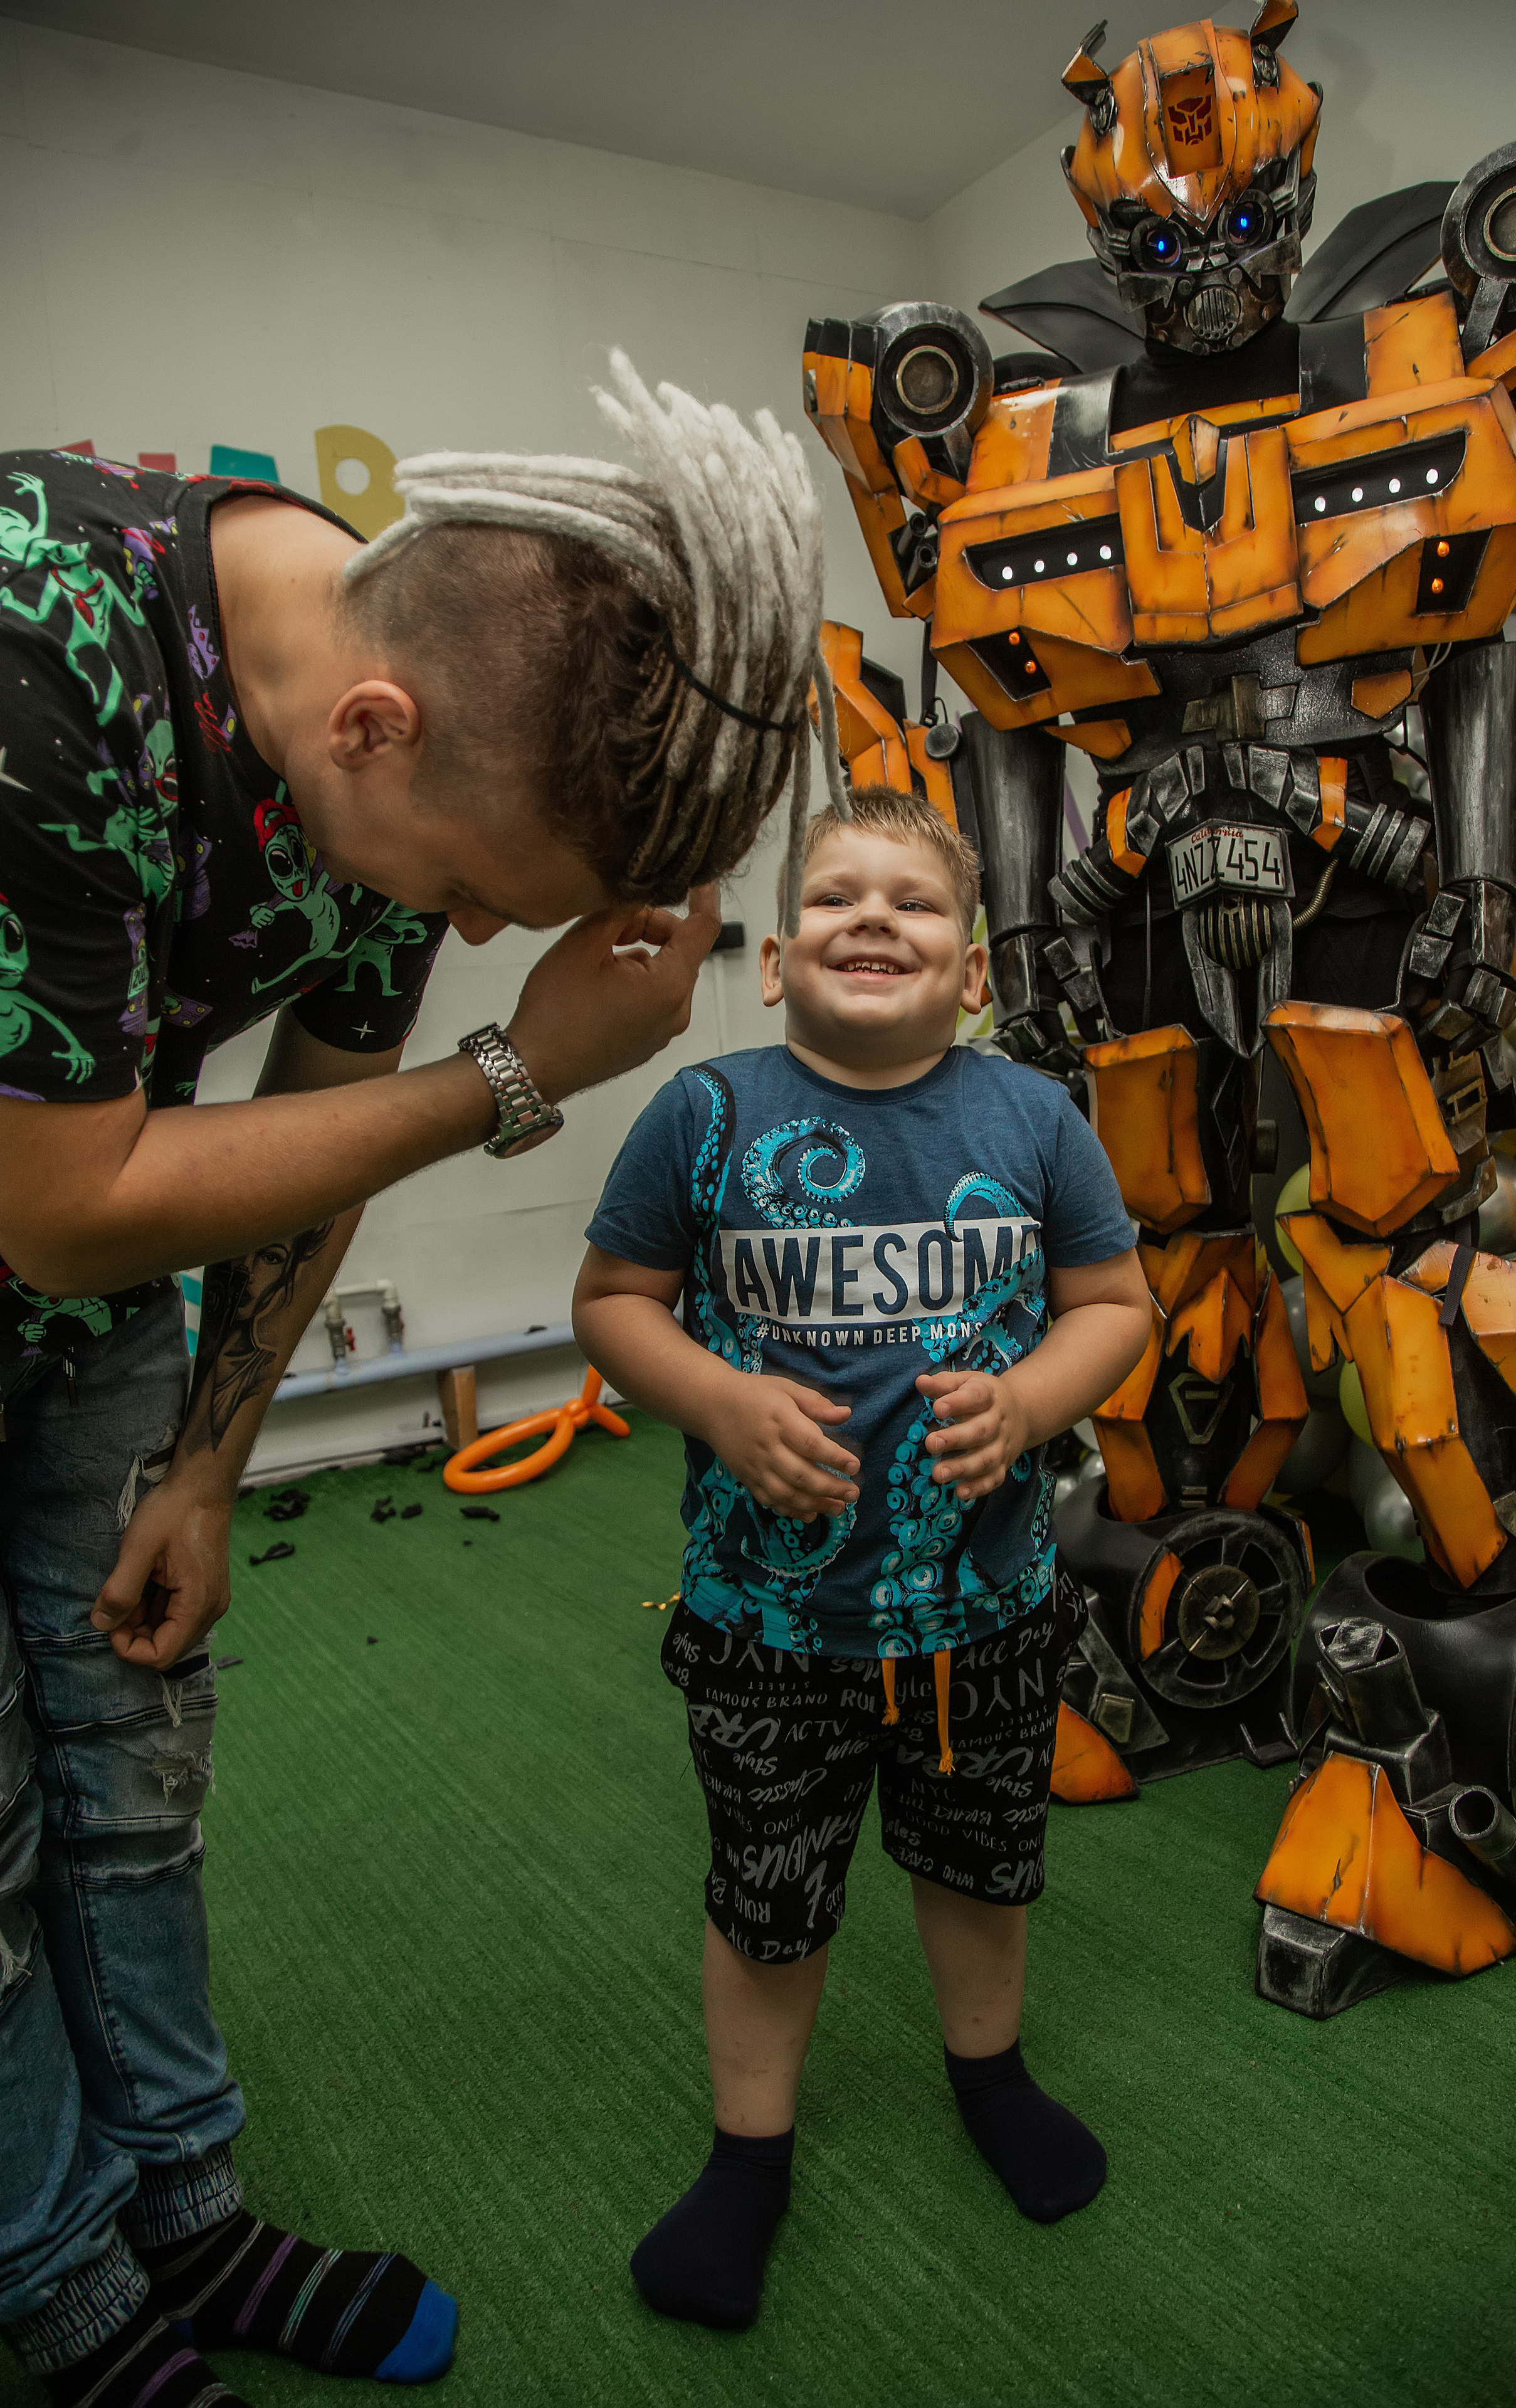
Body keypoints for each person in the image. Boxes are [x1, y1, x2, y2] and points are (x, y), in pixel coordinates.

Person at [0, 353, 835, 2408]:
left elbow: (321, 1097)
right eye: (470, 894)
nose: (463, 927)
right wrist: (526, 1071)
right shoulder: (41, 648)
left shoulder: (377, 730)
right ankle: (51, 2288)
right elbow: (72, 1205)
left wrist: (210, 1458)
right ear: (375, 724)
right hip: (63, 1232)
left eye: (493, 919)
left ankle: (181, 2208)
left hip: (106, 1321)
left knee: (129, 1771)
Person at [572, 785, 1151, 2331]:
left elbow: (1114, 1306)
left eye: (912, 901)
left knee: (979, 1862)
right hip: (768, 1623)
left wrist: (1031, 1400)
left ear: (972, 971)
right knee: (770, 1893)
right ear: (771, 960)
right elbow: (615, 1296)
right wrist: (712, 1392)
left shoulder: (1031, 1116)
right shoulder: (704, 1115)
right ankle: (746, 2156)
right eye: (834, 897)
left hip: (985, 1612)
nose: (872, 918)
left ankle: (990, 2070)